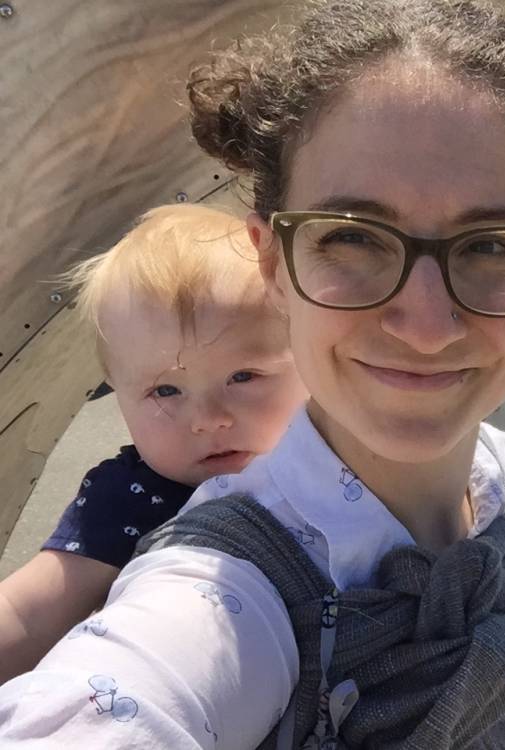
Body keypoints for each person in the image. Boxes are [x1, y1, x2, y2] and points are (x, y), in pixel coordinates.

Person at [0, 0, 505, 746]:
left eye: (491, 245)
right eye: (351, 236)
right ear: (272, 263)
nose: (426, 324)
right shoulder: (223, 597)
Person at [0, 205, 307, 684]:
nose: (208, 420)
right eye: (166, 391)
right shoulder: (130, 499)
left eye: (243, 376)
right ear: (116, 393)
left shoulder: (336, 459)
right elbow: (27, 613)